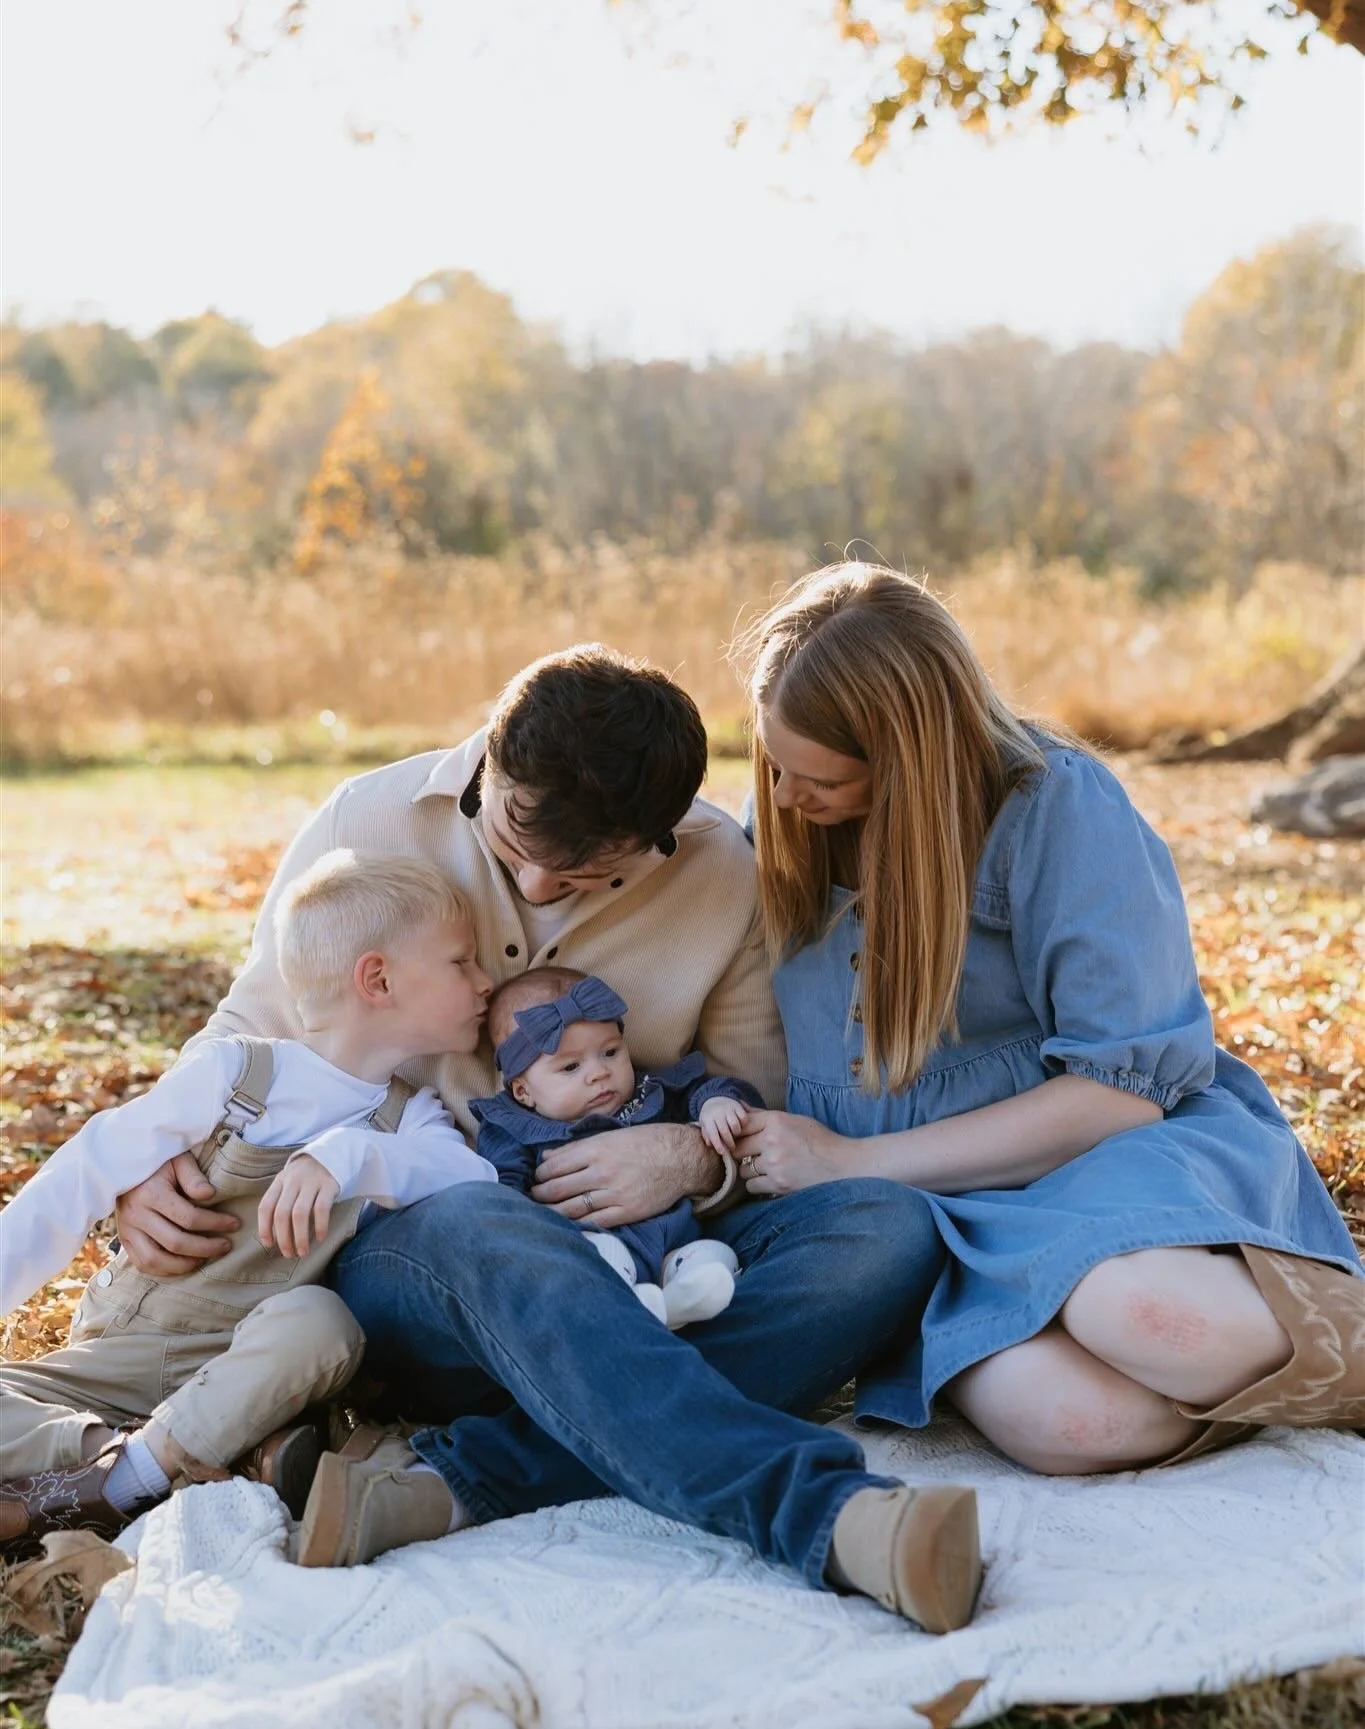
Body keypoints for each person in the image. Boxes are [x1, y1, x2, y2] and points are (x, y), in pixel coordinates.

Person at [110, 645, 984, 1633]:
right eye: (509, 840)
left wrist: (689, 1158)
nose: (530, 884)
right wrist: (153, 1152)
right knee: (476, 1215)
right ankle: (834, 1519)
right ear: (489, 758)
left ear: (658, 838)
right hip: (420, 1249)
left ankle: (453, 1482)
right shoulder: (366, 821)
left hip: (651, 1257)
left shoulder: (718, 874)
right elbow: (247, 1030)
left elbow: (753, 1098)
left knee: (886, 1227)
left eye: (584, 874)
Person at [729, 560, 1365, 1474]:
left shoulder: (1056, 807)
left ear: (910, 758)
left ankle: (1271, 1341)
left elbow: (1117, 1096)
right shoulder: (785, 828)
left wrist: (852, 1162)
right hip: (938, 1219)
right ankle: (1244, 1379)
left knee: (1142, 1314)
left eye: (818, 778)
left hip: (1093, 1158)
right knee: (1070, 1425)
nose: (785, 799)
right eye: (773, 766)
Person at [0, 850, 498, 1549]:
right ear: (378, 979)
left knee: (322, 1321)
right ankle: (137, 1461)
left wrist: (346, 1156)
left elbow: (474, 1182)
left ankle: (123, 1479)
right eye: (461, 961)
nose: (484, 981)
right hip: (126, 1356)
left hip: (267, 1365)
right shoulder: (236, 1073)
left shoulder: (408, 1118)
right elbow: (85, 1171)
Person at [472, 967, 759, 1328]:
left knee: (715, 1257)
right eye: (570, 1067)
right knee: (601, 1257)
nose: (598, 1073)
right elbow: (502, 1193)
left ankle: (676, 1303)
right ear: (523, 1092)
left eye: (609, 1052)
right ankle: (626, 1307)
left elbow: (705, 1089)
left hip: (673, 1250)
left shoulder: (648, 1093)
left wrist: (716, 1104)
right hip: (590, 1245)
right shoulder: (514, 1128)